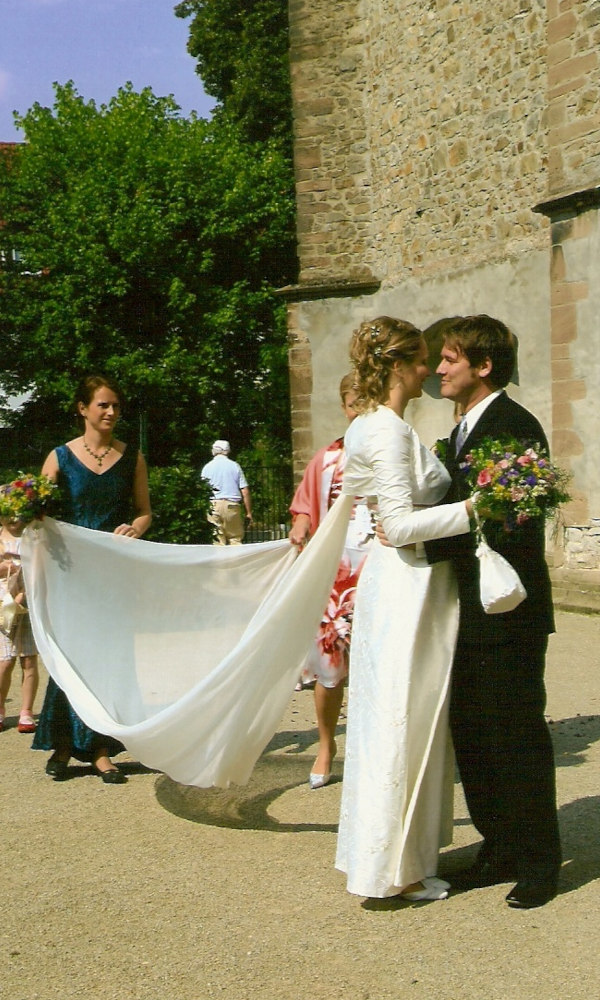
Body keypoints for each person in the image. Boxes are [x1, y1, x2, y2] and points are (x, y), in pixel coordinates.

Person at [335, 316, 476, 901]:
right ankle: (396, 869)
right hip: (407, 587)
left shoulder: (378, 425)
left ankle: (397, 859)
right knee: (401, 721)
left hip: (408, 585)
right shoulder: (386, 431)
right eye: (421, 361)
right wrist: (478, 508)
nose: (428, 370)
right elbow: (396, 524)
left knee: (402, 720)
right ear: (397, 366)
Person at [424, 314, 561, 909]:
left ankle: (540, 862)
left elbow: (507, 525)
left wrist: (414, 535)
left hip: (508, 612)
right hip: (464, 611)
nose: (437, 369)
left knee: (516, 737)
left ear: (483, 366)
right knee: (474, 737)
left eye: (449, 359)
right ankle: (499, 845)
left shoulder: (515, 427)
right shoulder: (456, 432)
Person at [32, 374, 152, 783]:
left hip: (114, 574)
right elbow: (36, 511)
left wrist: (136, 528)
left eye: (116, 405)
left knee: (111, 656)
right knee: (72, 655)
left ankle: (101, 749)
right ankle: (64, 745)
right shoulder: (59, 457)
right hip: (71, 573)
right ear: (83, 409)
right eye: (103, 405)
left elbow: (144, 511)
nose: (112, 412)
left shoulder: (132, 456)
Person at [289, 373, 375, 788]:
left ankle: (374, 750)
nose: (359, 410)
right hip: (337, 574)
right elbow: (304, 507)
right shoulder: (325, 459)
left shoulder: (388, 453)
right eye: (353, 402)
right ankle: (326, 744)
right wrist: (302, 527)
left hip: (378, 569)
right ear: (345, 407)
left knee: (377, 665)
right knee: (330, 666)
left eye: (367, 402)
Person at [0, 516, 39, 733]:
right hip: (2, 605)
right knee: (4, 661)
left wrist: (24, 594)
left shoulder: (31, 537)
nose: (14, 519)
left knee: (28, 659)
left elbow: (40, 569)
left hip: (26, 602)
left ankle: (27, 711)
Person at [201, 440, 253, 545]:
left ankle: (220, 561)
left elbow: (202, 490)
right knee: (235, 539)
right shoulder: (235, 466)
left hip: (213, 506)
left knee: (218, 542)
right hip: (232, 506)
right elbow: (245, 491)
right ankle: (237, 561)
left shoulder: (207, 467)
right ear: (227, 451)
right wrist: (249, 513)